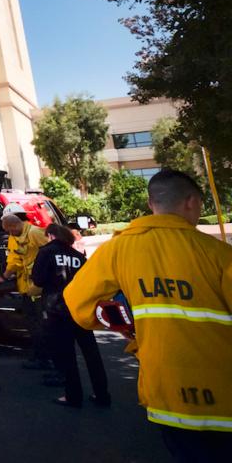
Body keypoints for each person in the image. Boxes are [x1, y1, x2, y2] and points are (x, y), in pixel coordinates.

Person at [65, 169, 232, 461]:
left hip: (168, 395)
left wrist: (127, 326)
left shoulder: (117, 250)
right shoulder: (219, 255)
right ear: (191, 202)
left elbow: (81, 308)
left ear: (151, 203)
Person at [31, 223, 111, 409]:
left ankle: (73, 396)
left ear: (50, 236)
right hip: (79, 307)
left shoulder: (46, 252)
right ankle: (102, 394)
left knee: (66, 354)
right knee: (91, 354)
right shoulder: (77, 255)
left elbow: (39, 279)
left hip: (57, 309)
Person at [0, 202, 52, 370]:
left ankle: (50, 359)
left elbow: (52, 256)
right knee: (32, 323)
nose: (10, 234)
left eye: (10, 229)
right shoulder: (14, 237)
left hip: (40, 289)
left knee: (43, 324)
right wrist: (3, 277)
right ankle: (40, 357)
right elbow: (14, 261)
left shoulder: (36, 234)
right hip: (26, 288)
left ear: (17, 222)